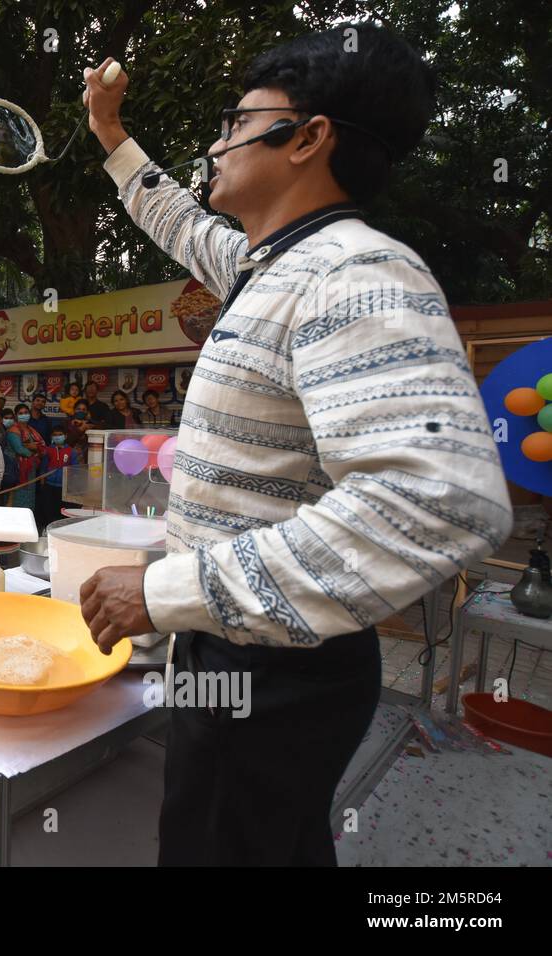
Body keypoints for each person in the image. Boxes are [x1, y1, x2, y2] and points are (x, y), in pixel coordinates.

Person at [80, 28, 511, 866]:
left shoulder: (354, 274)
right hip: (228, 648)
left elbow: (437, 502)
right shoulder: (264, 265)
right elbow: (174, 217)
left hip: (275, 675)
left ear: (308, 137)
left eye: (238, 122)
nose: (214, 142)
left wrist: (169, 588)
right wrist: (108, 131)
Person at [40, 423, 74, 525]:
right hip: (50, 484)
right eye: (55, 435)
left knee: (62, 508)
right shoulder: (48, 450)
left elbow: (75, 468)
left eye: (60, 434)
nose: (58, 437)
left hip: (64, 485)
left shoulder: (71, 451)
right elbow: (43, 467)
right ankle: (48, 527)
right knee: (48, 507)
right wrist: (42, 481)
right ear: (51, 437)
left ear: (65, 436)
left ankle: (61, 527)